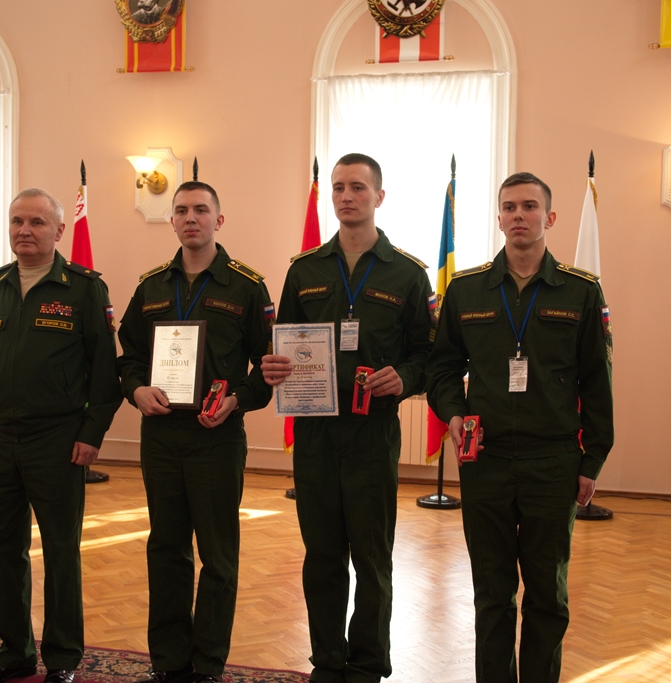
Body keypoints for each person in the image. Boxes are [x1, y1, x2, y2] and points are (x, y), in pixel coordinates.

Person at [426, 172, 614, 683]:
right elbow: (443, 366)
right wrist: (454, 412)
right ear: (499, 217)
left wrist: (591, 461)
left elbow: (597, 383)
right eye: (508, 207)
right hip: (483, 461)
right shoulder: (466, 290)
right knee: (491, 592)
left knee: (547, 594)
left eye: (529, 207)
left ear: (549, 218)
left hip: (552, 462)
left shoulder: (580, 291)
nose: (518, 216)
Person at [261, 154, 433, 683]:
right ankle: (328, 660)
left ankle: (366, 662)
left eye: (357, 187)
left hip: (372, 434)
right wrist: (272, 365)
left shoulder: (408, 272)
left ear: (379, 197)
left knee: (372, 555)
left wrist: (404, 378)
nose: (345, 196)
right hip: (315, 434)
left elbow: (429, 357)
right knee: (322, 555)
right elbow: (282, 341)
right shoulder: (304, 269)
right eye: (338, 187)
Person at [0, 189, 123, 683]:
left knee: (59, 549)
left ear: (59, 231)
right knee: (1, 548)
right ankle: (13, 653)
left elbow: (105, 372)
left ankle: (62, 660)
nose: (23, 230)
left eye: (35, 222)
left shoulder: (83, 288)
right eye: (16, 221)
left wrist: (92, 433)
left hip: (57, 439)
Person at [118, 181, 274, 683]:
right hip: (161, 435)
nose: (191, 218)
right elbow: (130, 360)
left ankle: (208, 665)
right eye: (181, 210)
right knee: (165, 547)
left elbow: (265, 367)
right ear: (173, 221)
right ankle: (168, 662)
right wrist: (137, 391)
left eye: (201, 210)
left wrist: (237, 401)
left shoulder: (248, 287)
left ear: (218, 221)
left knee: (217, 554)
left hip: (216, 437)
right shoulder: (151, 286)